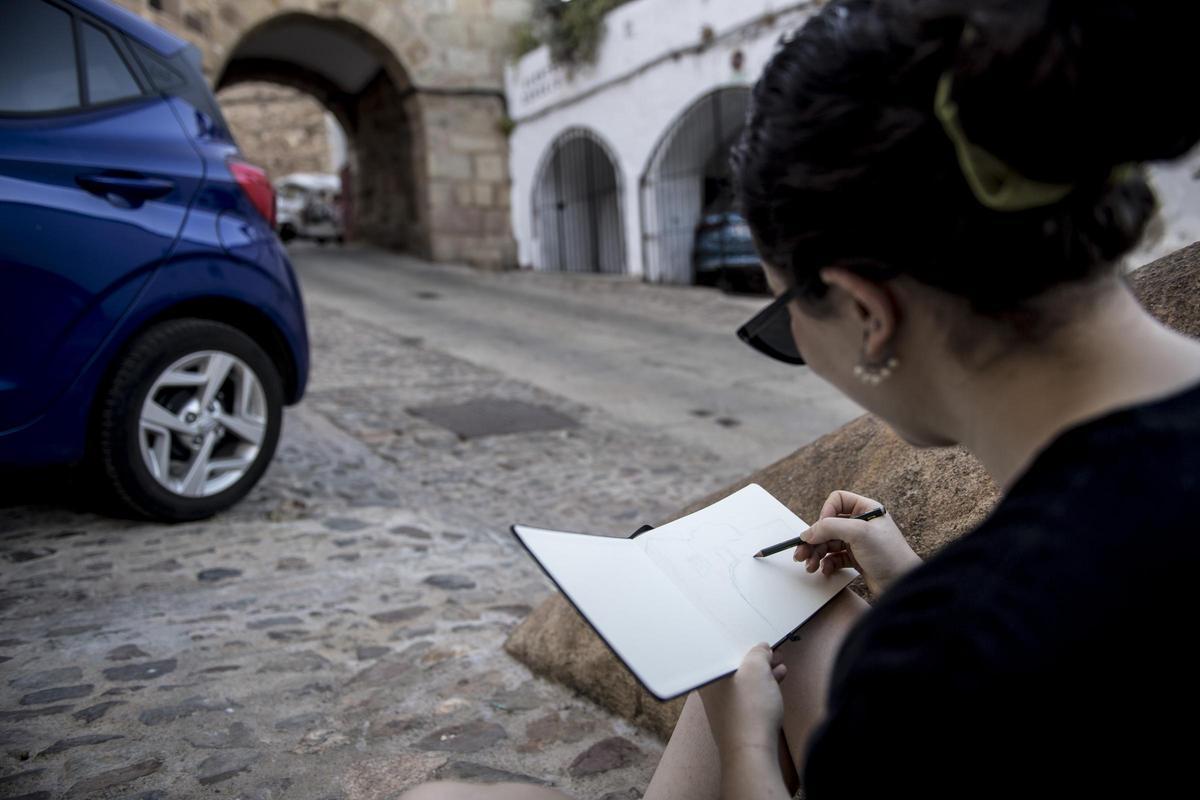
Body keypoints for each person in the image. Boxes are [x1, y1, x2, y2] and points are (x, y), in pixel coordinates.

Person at [403, 0, 1200, 797]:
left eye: (784, 314)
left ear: (865, 313)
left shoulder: (948, 658)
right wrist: (910, 578)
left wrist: (745, 739)